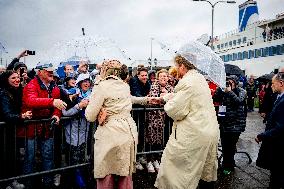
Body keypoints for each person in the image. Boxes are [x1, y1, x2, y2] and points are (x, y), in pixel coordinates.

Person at [85, 60, 157, 189]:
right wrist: (147, 100)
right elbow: (127, 99)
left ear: (105, 70)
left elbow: (89, 116)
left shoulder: (101, 86)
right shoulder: (124, 85)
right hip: (127, 131)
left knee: (106, 171)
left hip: (110, 132)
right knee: (125, 173)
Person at [155, 55, 220, 189]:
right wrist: (166, 97)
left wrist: (166, 104)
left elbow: (176, 111)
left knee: (180, 173)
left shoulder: (187, 82)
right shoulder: (200, 79)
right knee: (204, 172)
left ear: (183, 66)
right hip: (209, 130)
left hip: (194, 133)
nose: (176, 69)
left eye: (177, 66)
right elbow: (188, 97)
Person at [19, 63, 67, 188]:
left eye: (52, 71)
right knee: (30, 158)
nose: (51, 73)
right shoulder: (31, 85)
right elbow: (31, 101)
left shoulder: (54, 87)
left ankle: (48, 183)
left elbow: (58, 107)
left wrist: (56, 115)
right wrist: (52, 102)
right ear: (39, 72)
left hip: (47, 128)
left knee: (48, 156)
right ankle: (28, 185)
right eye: (48, 71)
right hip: (31, 129)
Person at [0, 71, 32, 189]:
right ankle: (6, 183)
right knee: (6, 157)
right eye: (13, 78)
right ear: (6, 80)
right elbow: (7, 115)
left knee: (13, 157)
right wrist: (21, 116)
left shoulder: (16, 91)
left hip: (13, 131)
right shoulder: (3, 93)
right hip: (4, 132)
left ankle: (11, 181)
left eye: (18, 77)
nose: (17, 79)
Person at [213, 75, 247, 175]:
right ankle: (229, 164)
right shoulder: (224, 90)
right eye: (227, 82)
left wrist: (230, 92)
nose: (228, 84)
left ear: (235, 83)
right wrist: (220, 89)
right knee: (225, 145)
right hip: (224, 123)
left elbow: (239, 102)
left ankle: (227, 166)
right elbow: (215, 98)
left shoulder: (242, 91)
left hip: (236, 124)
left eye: (231, 82)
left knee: (231, 146)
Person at [256, 72, 284, 188]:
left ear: (281, 83)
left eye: (273, 83)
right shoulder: (279, 97)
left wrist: (263, 135)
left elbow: (281, 128)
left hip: (280, 147)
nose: (270, 86)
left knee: (277, 178)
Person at [145, 69, 173, 173]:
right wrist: (164, 98)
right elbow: (153, 100)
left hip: (166, 119)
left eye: (165, 76)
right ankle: (149, 161)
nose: (163, 78)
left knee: (161, 140)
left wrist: (165, 97)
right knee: (151, 139)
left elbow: (174, 100)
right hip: (154, 117)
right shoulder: (154, 86)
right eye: (161, 76)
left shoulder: (170, 87)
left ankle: (157, 159)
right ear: (158, 78)